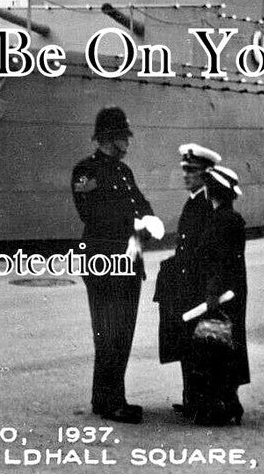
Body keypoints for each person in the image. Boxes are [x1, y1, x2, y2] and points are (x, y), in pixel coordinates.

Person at [71, 107, 163, 424]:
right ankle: (111, 402)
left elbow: (143, 206)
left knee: (122, 333)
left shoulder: (124, 172)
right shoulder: (86, 171)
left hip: (128, 260)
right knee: (108, 332)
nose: (128, 143)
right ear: (110, 138)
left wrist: (146, 223)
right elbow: (91, 214)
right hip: (104, 261)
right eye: (124, 137)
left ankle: (107, 398)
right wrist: (135, 224)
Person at [155, 145, 249, 426]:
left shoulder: (208, 206)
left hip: (205, 285)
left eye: (192, 171)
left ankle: (210, 402)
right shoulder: (195, 202)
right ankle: (194, 399)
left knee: (211, 345)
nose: (186, 175)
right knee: (194, 344)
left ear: (206, 175)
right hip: (193, 283)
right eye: (184, 170)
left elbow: (211, 253)